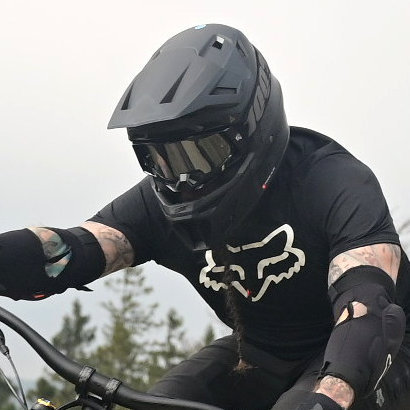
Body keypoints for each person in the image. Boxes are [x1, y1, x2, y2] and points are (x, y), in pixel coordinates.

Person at [0, 24, 409, 410]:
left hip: (373, 353)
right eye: (161, 158)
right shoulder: (160, 199)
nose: (182, 179)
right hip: (257, 353)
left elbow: (367, 312)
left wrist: (329, 396)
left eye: (198, 154)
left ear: (252, 129)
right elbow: (75, 249)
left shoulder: (331, 180)